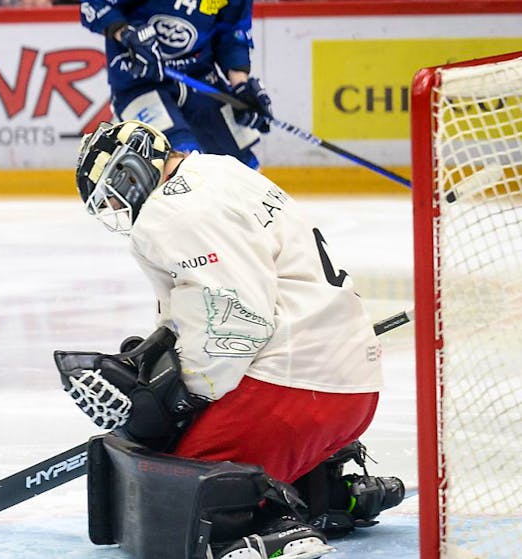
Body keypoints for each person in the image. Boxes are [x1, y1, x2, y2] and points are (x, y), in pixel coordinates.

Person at [61, 120, 403, 558]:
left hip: (294, 393)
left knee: (180, 495)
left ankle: (269, 525)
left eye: (111, 192)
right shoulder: (220, 171)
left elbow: (237, 324)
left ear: (131, 171)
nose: (114, 205)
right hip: (348, 393)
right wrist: (159, 357)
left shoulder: (171, 212)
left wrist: (176, 400)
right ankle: (329, 491)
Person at [80, 0, 272, 169]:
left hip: (199, 79)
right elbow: (95, 3)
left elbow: (232, 34)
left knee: (245, 171)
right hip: (139, 79)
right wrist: (124, 33)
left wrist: (241, 87)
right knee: (180, 166)